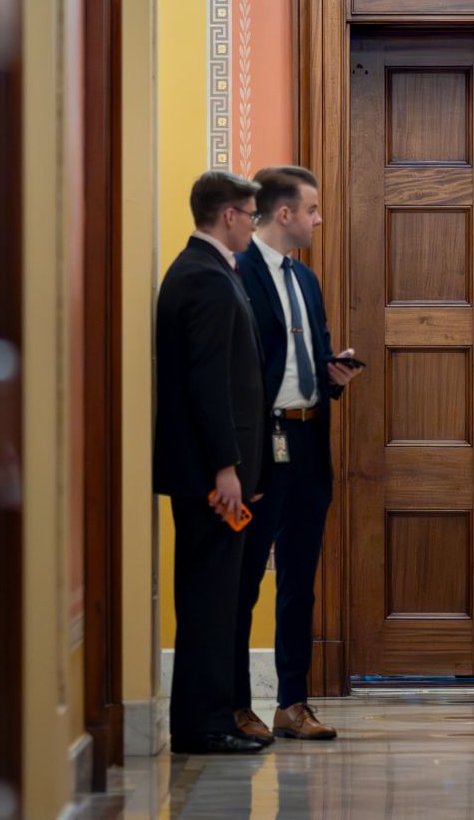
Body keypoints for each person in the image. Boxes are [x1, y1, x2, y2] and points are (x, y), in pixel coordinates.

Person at [231, 166, 363, 743]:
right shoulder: (236, 272)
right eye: (311, 209)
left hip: (310, 442)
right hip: (263, 443)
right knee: (245, 581)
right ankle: (237, 705)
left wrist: (335, 374)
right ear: (283, 214)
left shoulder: (306, 280)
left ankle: (293, 703)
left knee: (301, 580)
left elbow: (311, 358)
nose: (318, 218)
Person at [153, 171, 269, 755]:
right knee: (207, 599)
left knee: (214, 597)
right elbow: (207, 383)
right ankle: (203, 725)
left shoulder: (205, 271)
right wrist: (227, 467)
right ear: (228, 214)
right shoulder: (203, 277)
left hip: (211, 469)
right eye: (251, 214)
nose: (253, 223)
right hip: (210, 474)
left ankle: (211, 717)